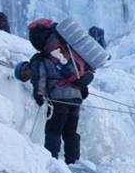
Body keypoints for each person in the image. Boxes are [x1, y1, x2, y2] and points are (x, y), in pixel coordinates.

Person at [25, 21, 94, 164]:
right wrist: (82, 90)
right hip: (76, 100)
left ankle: (52, 160)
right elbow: (78, 74)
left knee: (53, 130)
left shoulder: (42, 59)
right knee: (70, 132)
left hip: (59, 100)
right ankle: (73, 161)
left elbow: (41, 79)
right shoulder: (68, 52)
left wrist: (38, 94)